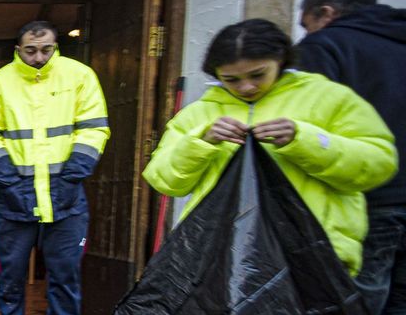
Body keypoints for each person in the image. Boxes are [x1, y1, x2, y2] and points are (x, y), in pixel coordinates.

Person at [144, 18, 396, 279]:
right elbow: (163, 179)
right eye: (231, 79)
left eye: (257, 74)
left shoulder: (331, 98)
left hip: (312, 257)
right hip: (220, 258)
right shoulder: (198, 114)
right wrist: (201, 141)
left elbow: (378, 163)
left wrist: (304, 140)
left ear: (281, 60)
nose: (246, 87)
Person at [0, 21, 109, 315]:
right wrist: (10, 183)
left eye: (45, 49)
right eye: (30, 50)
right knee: (10, 275)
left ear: (55, 46)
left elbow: (94, 128)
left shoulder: (80, 76)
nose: (38, 57)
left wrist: (72, 176)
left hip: (66, 198)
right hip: (14, 198)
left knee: (65, 275)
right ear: (18, 49)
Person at [298, 0, 406, 315]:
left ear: (325, 13)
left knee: (352, 307)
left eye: (305, 22)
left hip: (366, 199)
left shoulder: (325, 46)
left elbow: (307, 116)